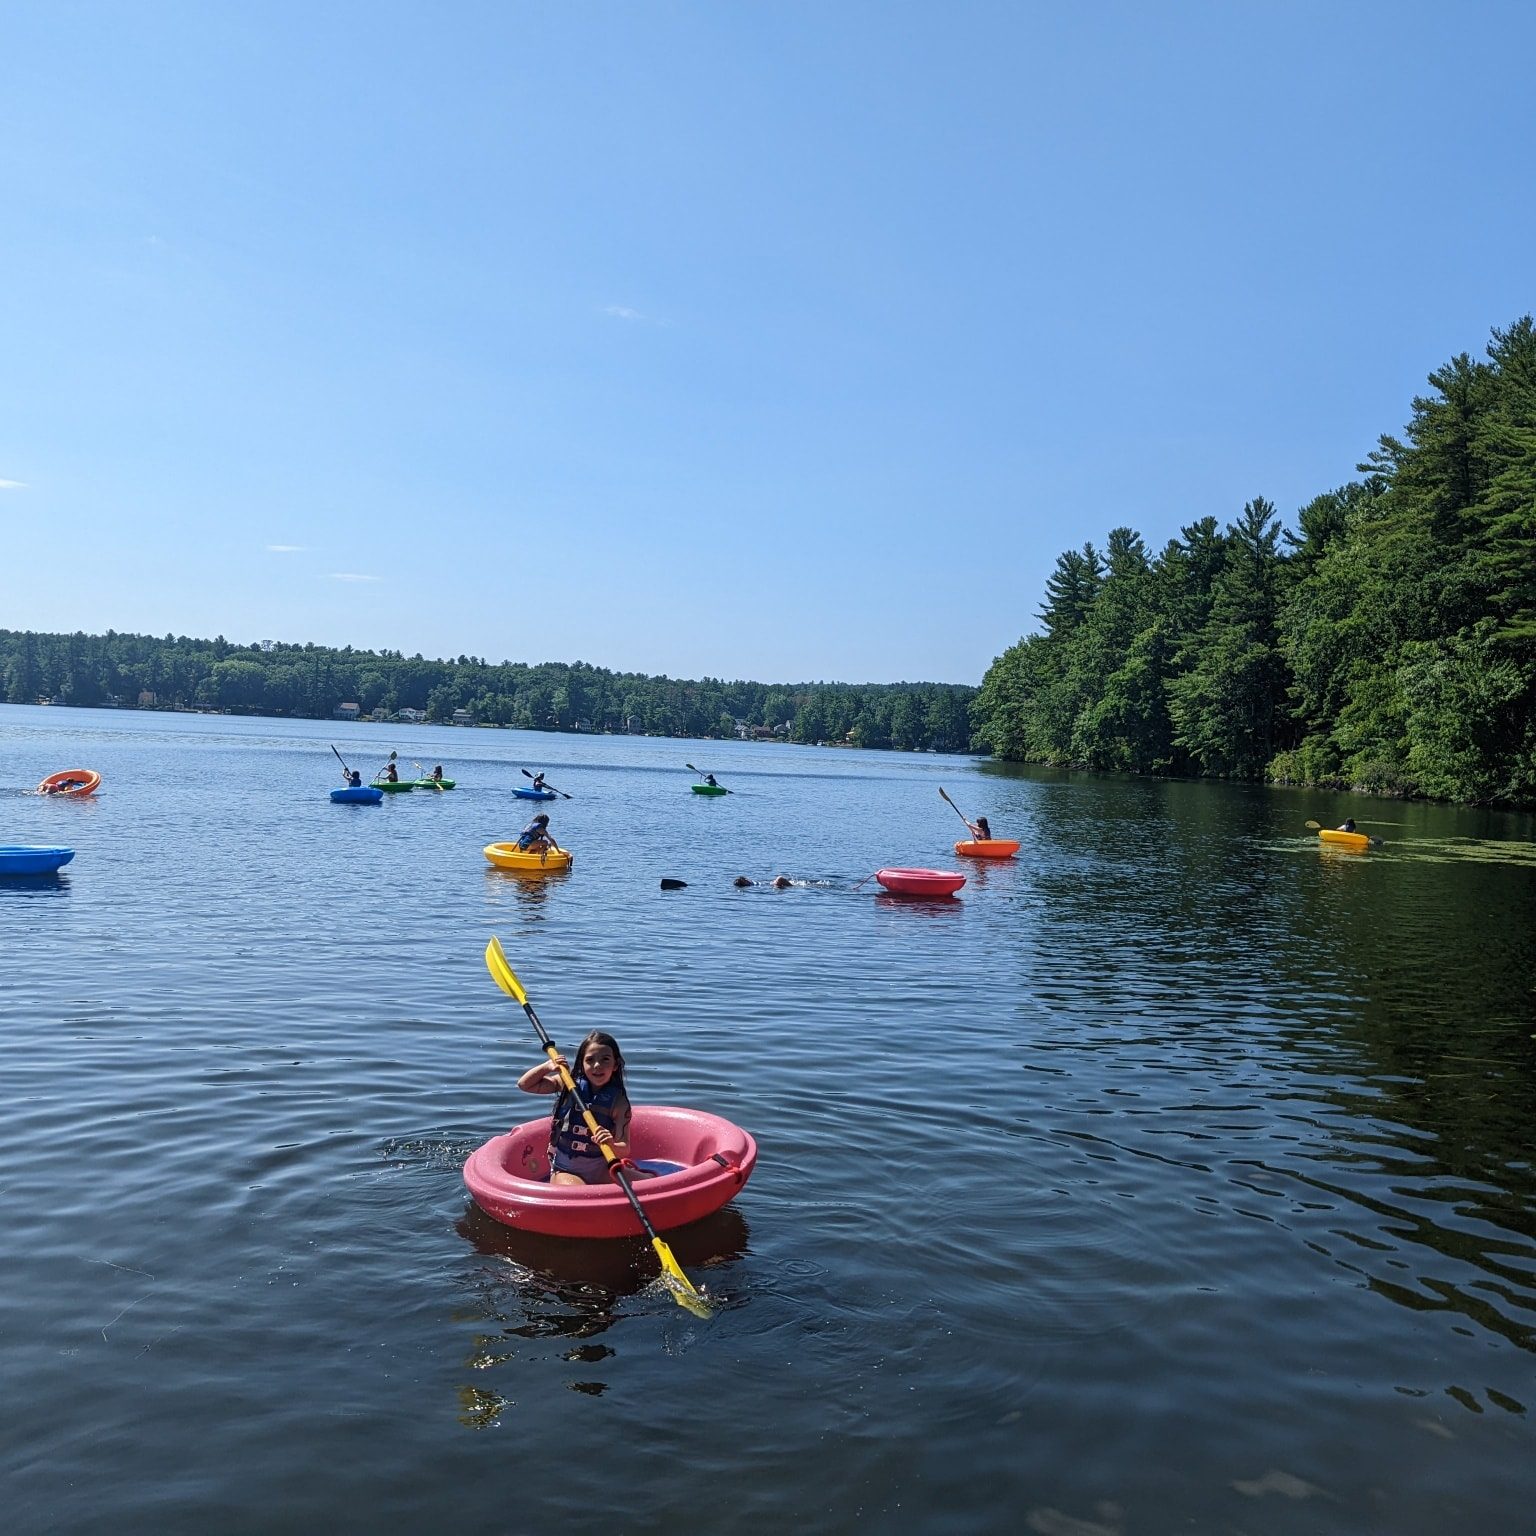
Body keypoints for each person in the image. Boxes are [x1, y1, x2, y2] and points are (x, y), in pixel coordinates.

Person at [518, 1032, 632, 1185]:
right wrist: (547, 1067)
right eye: (590, 1060)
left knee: (649, 1182)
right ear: (582, 1064)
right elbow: (524, 1085)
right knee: (581, 1194)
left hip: (602, 1168)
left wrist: (611, 1144)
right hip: (565, 1169)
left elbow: (624, 1149)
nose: (597, 1065)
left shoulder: (619, 1102)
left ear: (615, 1065)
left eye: (605, 1059)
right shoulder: (568, 1083)